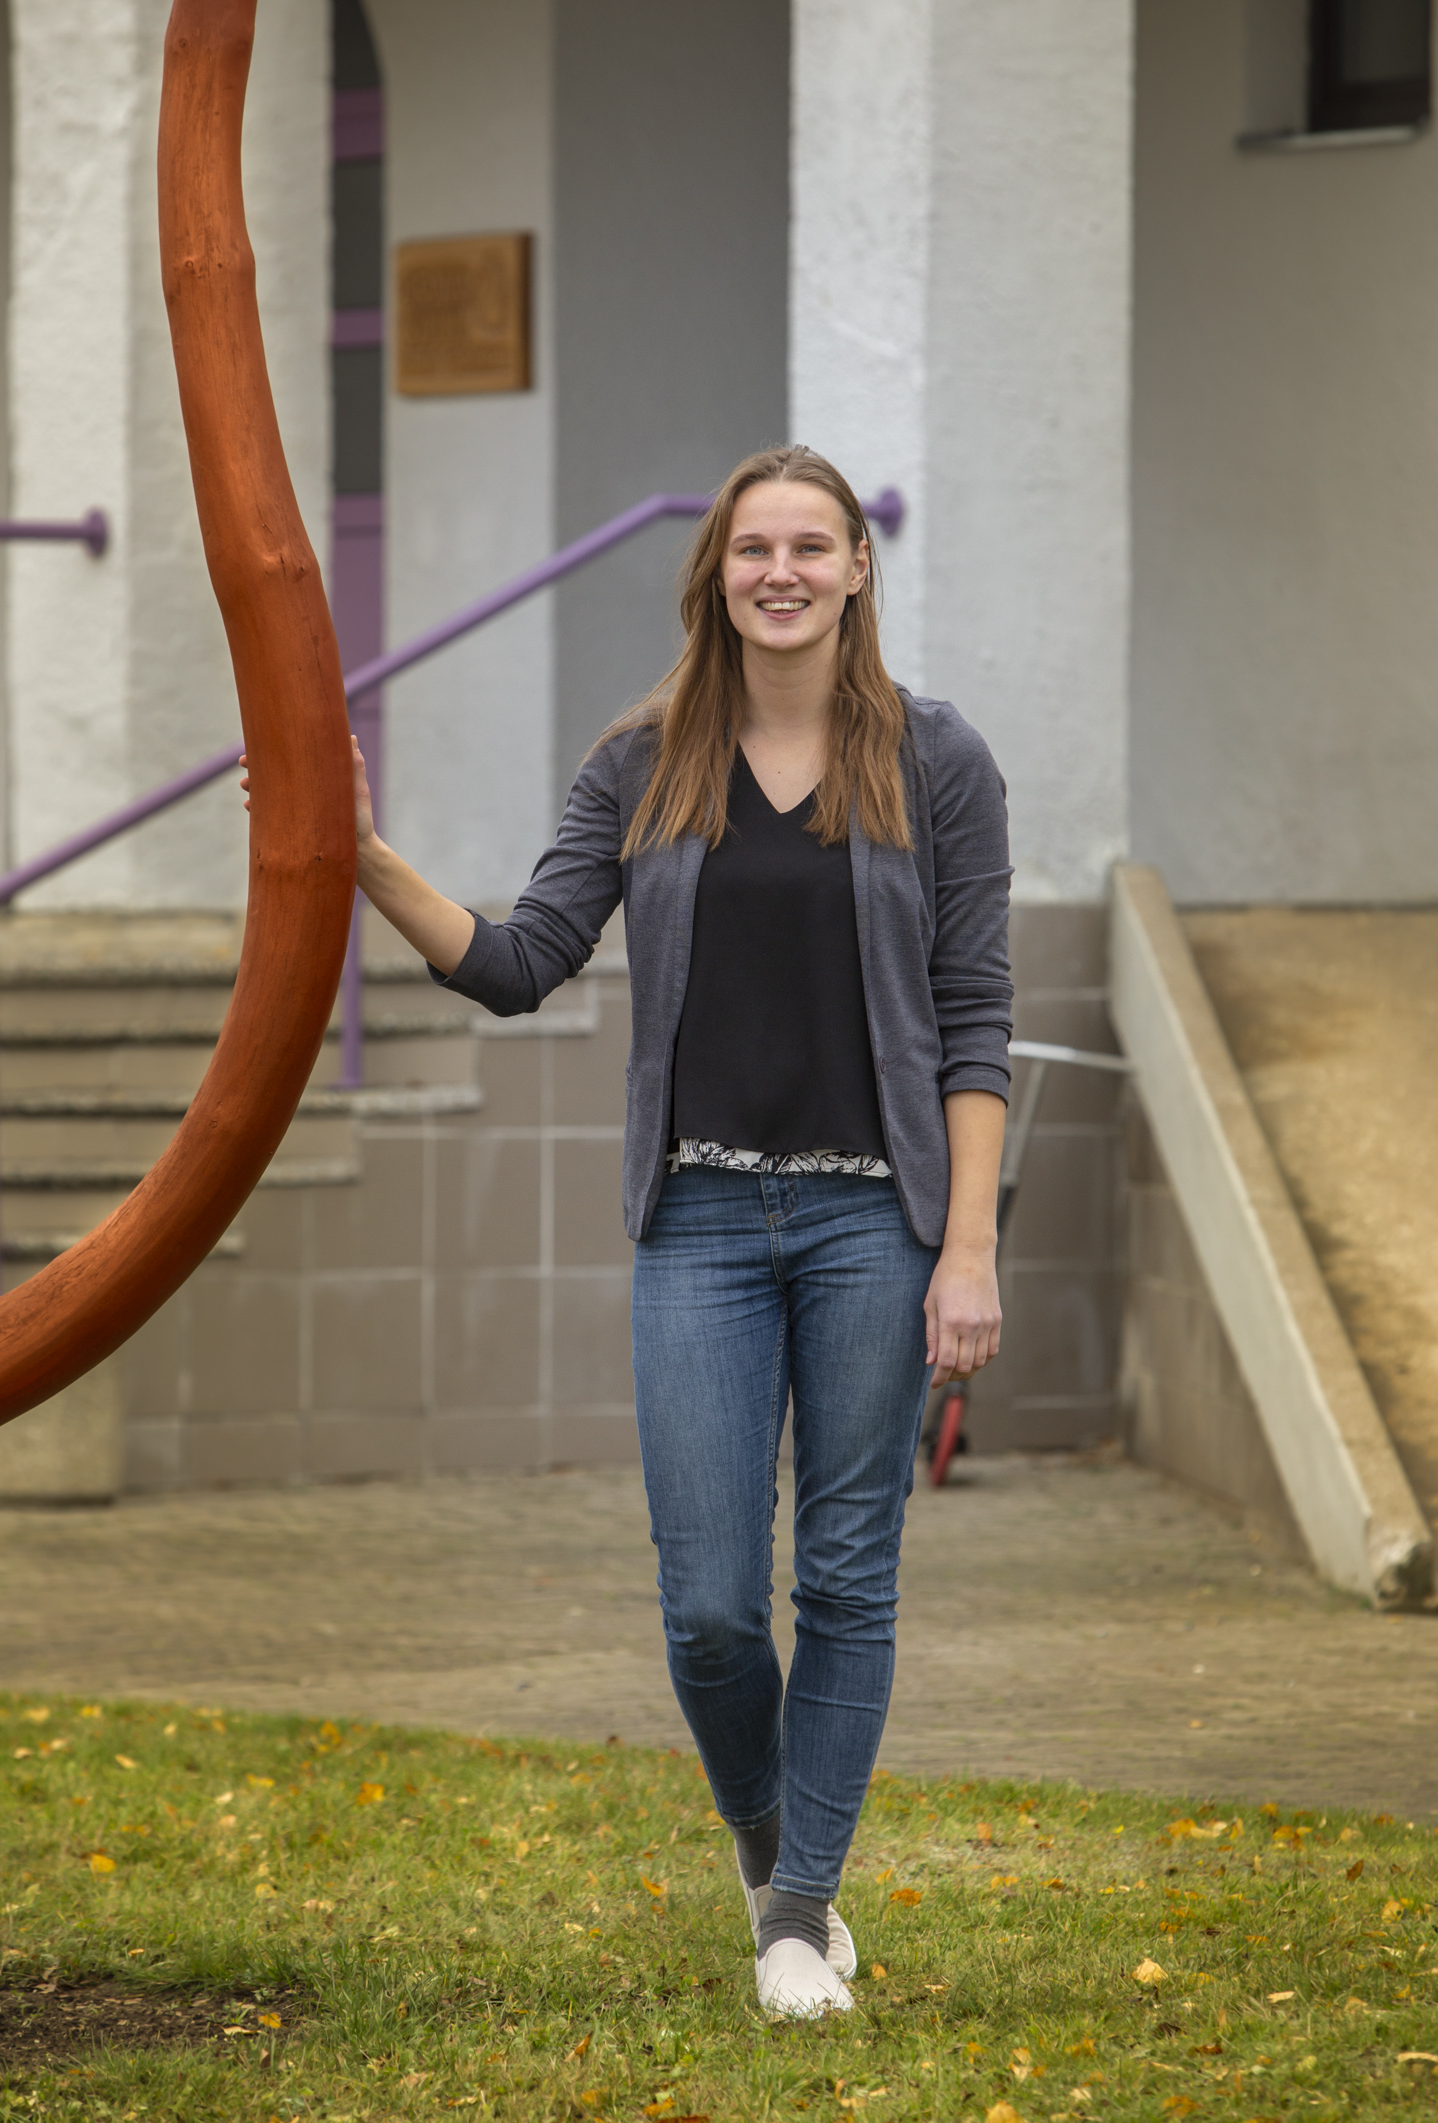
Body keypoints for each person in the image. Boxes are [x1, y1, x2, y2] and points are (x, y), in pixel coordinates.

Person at [275, 444, 1013, 2017]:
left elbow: (972, 1019)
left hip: (875, 1223)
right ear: (716, 574)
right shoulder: (641, 762)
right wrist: (361, 850)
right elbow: (519, 960)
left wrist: (967, 1249)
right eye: (755, 548)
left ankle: (795, 1918)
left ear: (857, 569)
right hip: (697, 1219)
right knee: (707, 1605)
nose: (783, 572)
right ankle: (772, 1852)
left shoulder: (936, 761)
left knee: (852, 1573)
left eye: (811, 546)